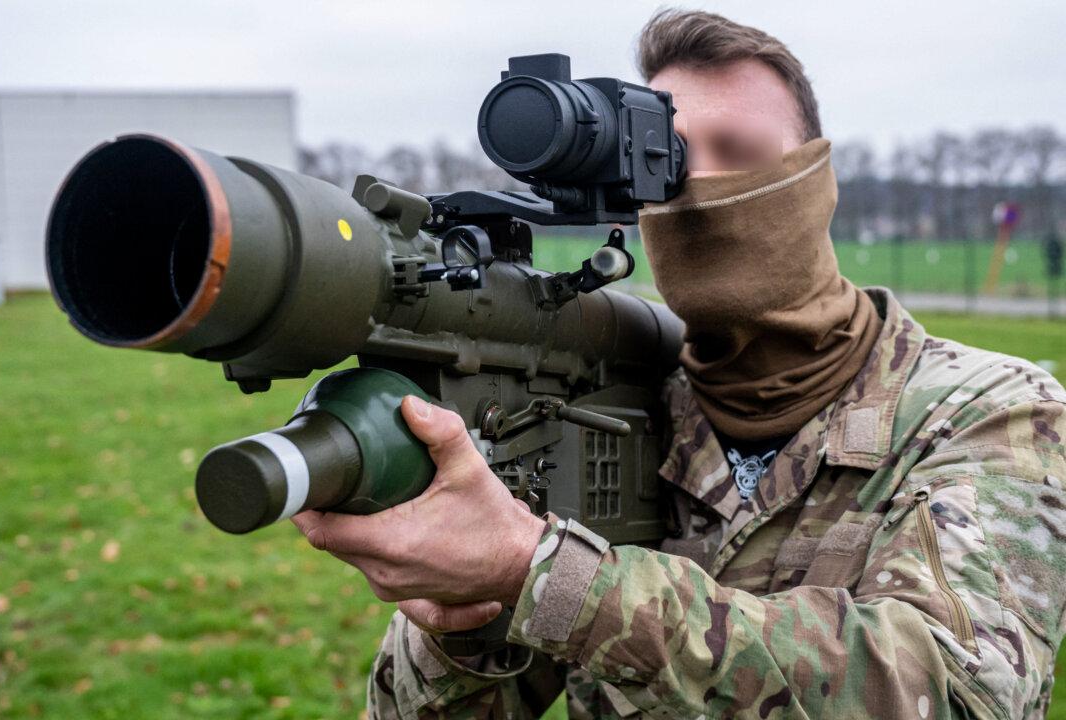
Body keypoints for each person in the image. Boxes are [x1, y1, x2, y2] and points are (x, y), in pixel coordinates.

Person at [291, 10, 1066, 718]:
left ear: (813, 180)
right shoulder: (606, 401)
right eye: (670, 161)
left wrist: (548, 576)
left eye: (740, 152)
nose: (699, 186)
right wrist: (463, 609)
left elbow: (956, 691)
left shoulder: (991, 409)